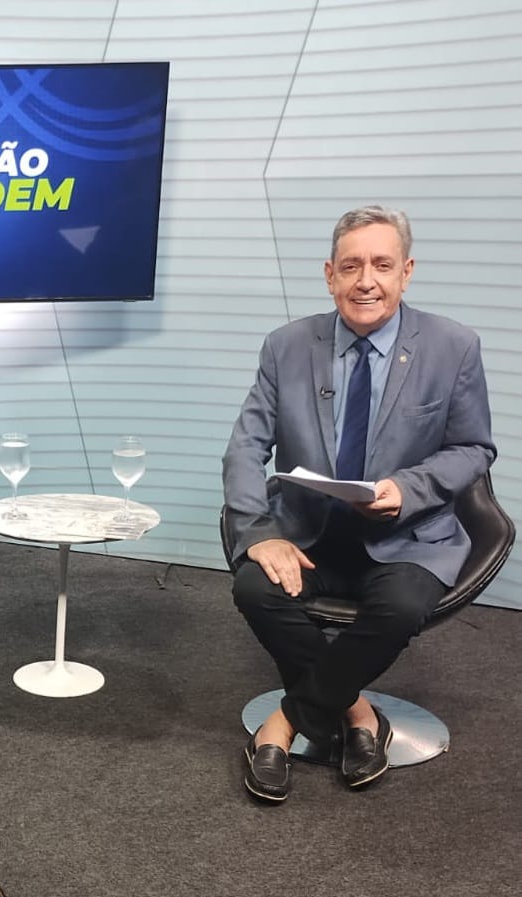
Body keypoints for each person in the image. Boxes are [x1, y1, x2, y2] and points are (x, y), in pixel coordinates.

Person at [222, 206, 495, 802]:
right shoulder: (286, 346)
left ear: (406, 272)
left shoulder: (453, 346)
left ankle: (285, 723)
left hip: (408, 535)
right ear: (329, 275)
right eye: (351, 266)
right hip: (310, 530)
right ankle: (359, 714)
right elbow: (245, 447)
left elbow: (474, 448)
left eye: (381, 265)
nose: (365, 279)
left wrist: (410, 488)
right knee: (254, 587)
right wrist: (258, 533)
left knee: (398, 606)